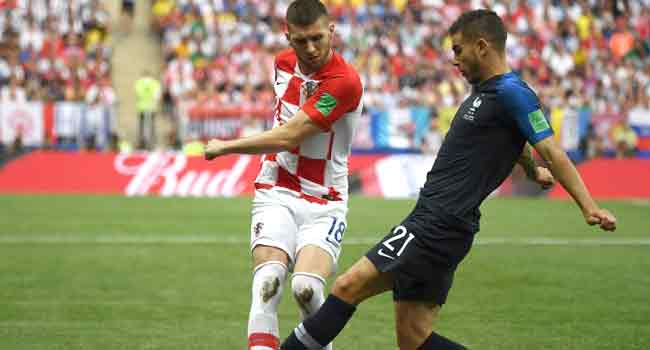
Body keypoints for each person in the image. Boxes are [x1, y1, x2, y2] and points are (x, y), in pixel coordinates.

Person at [280, 9, 617, 350]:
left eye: (458, 50)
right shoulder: (490, 93)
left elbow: (553, 150)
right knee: (413, 339)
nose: (453, 60)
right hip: (444, 222)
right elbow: (516, 141)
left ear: (482, 46)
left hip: (439, 222)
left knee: (347, 288)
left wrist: (589, 207)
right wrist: (531, 170)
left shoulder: (513, 92)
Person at [203, 1, 363, 349]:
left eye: (318, 38)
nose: (310, 48)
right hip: (276, 188)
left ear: (332, 31)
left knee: (306, 289)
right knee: (268, 282)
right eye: (301, 40)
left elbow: (291, 134)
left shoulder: (344, 82)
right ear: (287, 36)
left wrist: (226, 146)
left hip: (325, 200)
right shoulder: (282, 63)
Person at [134, 70, 162, 150]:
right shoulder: (154, 83)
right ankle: (145, 143)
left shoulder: (140, 82)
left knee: (148, 126)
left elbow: (139, 93)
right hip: (146, 107)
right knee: (144, 126)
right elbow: (157, 95)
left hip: (146, 107)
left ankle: (148, 143)